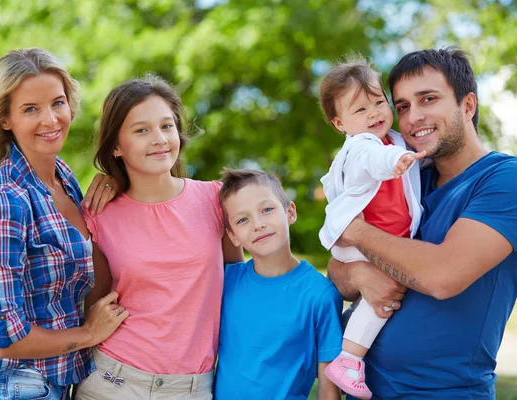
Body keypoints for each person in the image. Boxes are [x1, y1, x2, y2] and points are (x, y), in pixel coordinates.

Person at [328, 47, 517, 399]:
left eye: (428, 99)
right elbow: (338, 272)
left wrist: (355, 229)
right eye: (404, 106)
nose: (412, 118)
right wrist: (357, 274)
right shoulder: (408, 182)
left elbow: (441, 277)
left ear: (467, 105)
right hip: (365, 389)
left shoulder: (509, 180)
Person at [0, 48, 127, 400]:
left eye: (57, 103)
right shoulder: (6, 199)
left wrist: (119, 181)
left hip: (49, 382)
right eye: (31, 109)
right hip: (12, 385)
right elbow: (5, 337)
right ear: (5, 119)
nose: (50, 119)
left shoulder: (62, 178)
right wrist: (89, 334)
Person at [74, 76, 243, 400]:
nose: (159, 139)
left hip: (190, 388)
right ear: (116, 146)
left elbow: (237, 285)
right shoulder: (99, 213)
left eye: (167, 126)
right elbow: (96, 302)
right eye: (141, 130)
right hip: (113, 381)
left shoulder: (217, 201)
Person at [317, 57, 425, 399]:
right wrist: (396, 161)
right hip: (360, 237)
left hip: (380, 235)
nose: (374, 113)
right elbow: (375, 161)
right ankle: (349, 358)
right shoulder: (363, 146)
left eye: (379, 102)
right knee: (384, 297)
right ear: (339, 124)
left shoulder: (394, 139)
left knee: (378, 297)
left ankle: (347, 355)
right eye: (360, 110)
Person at [214, 168, 343, 400]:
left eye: (267, 209)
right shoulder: (226, 282)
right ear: (232, 235)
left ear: (290, 212)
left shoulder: (320, 294)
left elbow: (329, 385)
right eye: (243, 219)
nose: (258, 224)